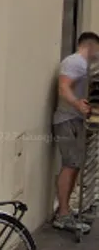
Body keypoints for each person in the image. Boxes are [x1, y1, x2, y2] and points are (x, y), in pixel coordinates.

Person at [52, 32, 99, 233]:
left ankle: (65, 210)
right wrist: (77, 104)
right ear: (91, 46)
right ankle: (62, 214)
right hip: (67, 120)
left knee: (75, 165)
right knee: (70, 164)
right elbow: (63, 88)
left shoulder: (83, 66)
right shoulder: (74, 62)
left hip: (76, 121)